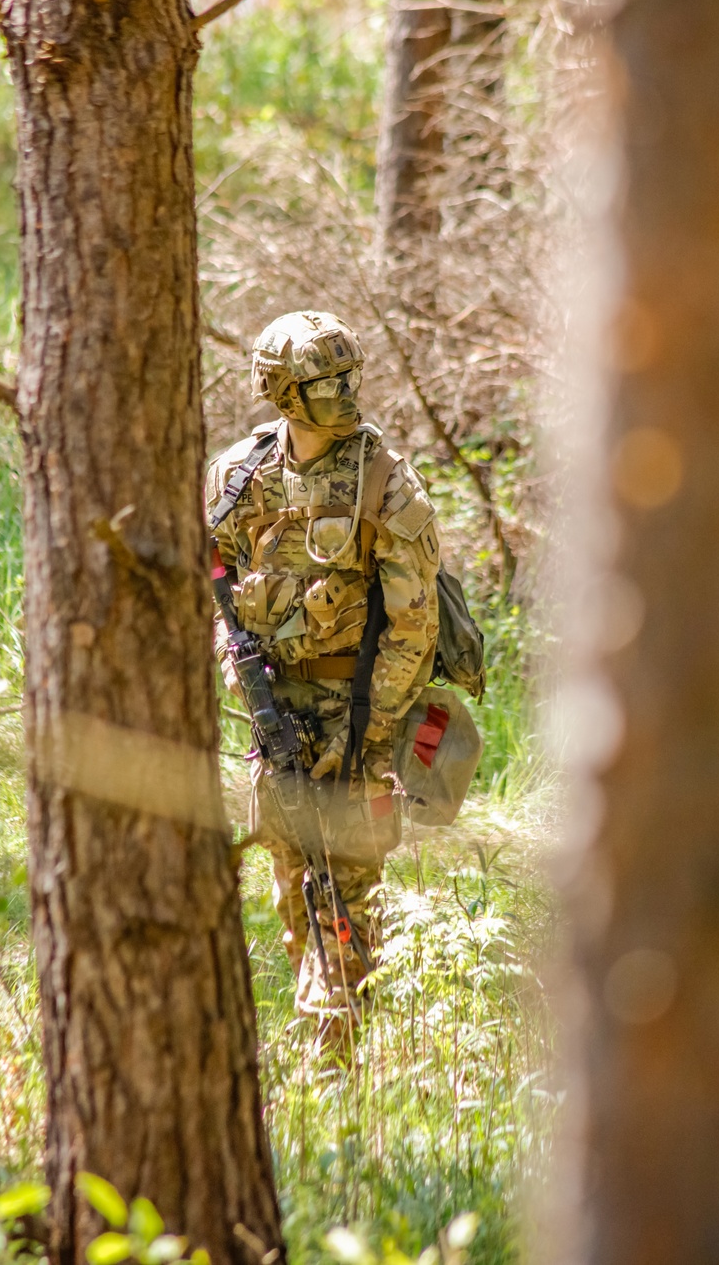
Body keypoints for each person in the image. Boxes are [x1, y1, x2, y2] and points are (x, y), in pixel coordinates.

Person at [206, 310, 441, 1049]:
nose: (342, 394)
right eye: (322, 383)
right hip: (275, 718)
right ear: (280, 391)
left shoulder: (385, 482)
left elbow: (414, 625)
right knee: (292, 900)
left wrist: (370, 738)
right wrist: (236, 667)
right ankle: (334, 1074)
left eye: (348, 378)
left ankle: (333, 1076)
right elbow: (214, 582)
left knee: (343, 904)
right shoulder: (239, 476)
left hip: (359, 713)